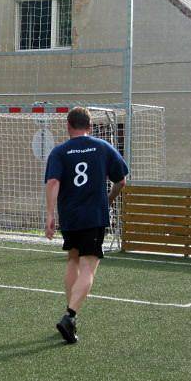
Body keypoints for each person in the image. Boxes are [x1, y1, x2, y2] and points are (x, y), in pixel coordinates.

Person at [44, 106, 128, 344]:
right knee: (89, 265)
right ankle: (70, 315)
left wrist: (50, 215)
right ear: (90, 127)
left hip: (70, 216)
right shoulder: (102, 147)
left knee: (73, 259)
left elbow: (52, 182)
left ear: (68, 125)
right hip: (93, 215)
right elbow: (121, 180)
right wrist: (109, 199)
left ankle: (70, 311)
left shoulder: (59, 151)